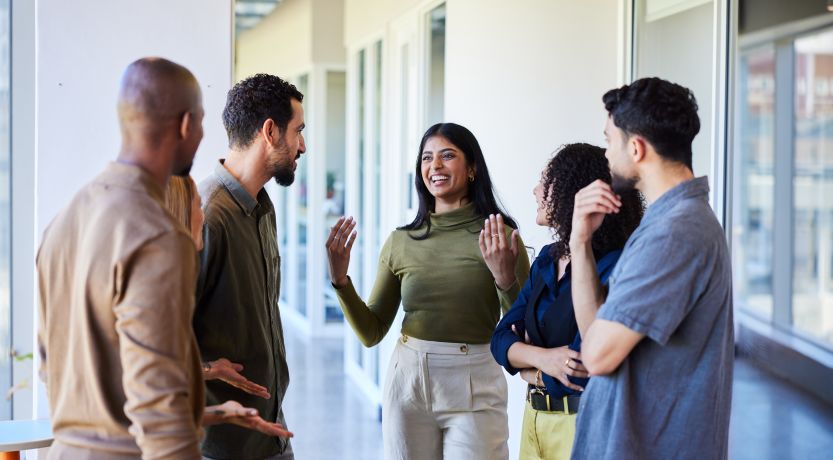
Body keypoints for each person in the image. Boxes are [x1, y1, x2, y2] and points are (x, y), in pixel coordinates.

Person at [326, 122, 530, 460]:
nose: (434, 166)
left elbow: (521, 330)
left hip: (476, 381)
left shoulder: (499, 235)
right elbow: (372, 331)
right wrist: (340, 281)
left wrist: (504, 279)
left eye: (447, 156)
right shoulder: (401, 241)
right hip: (407, 381)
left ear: (472, 168)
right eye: (426, 158)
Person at [36, 57, 206, 459]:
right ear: (185, 125)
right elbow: (161, 412)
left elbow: (49, 365)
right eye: (201, 121)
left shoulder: (66, 219)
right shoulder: (158, 235)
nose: (200, 134)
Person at [568, 77, 734, 459]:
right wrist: (580, 243)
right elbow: (595, 334)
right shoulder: (668, 223)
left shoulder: (676, 234)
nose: (606, 155)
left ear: (637, 148)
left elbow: (596, 355)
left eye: (610, 140)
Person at [490, 143, 643, 460]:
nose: (535, 190)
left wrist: (523, 362)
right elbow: (500, 338)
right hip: (532, 421)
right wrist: (543, 361)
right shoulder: (547, 258)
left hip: (580, 425)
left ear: (572, 191)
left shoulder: (615, 268)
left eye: (545, 181)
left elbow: (579, 370)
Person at [194, 73, 305, 460]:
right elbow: (156, 337)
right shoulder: (206, 215)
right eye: (298, 131)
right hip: (223, 447)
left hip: (271, 435)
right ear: (270, 132)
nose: (302, 146)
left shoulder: (262, 207)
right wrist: (207, 369)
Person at [163, 176, 293, 438]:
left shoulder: (263, 209)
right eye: (199, 207)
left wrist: (223, 412)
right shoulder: (155, 296)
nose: (205, 215)